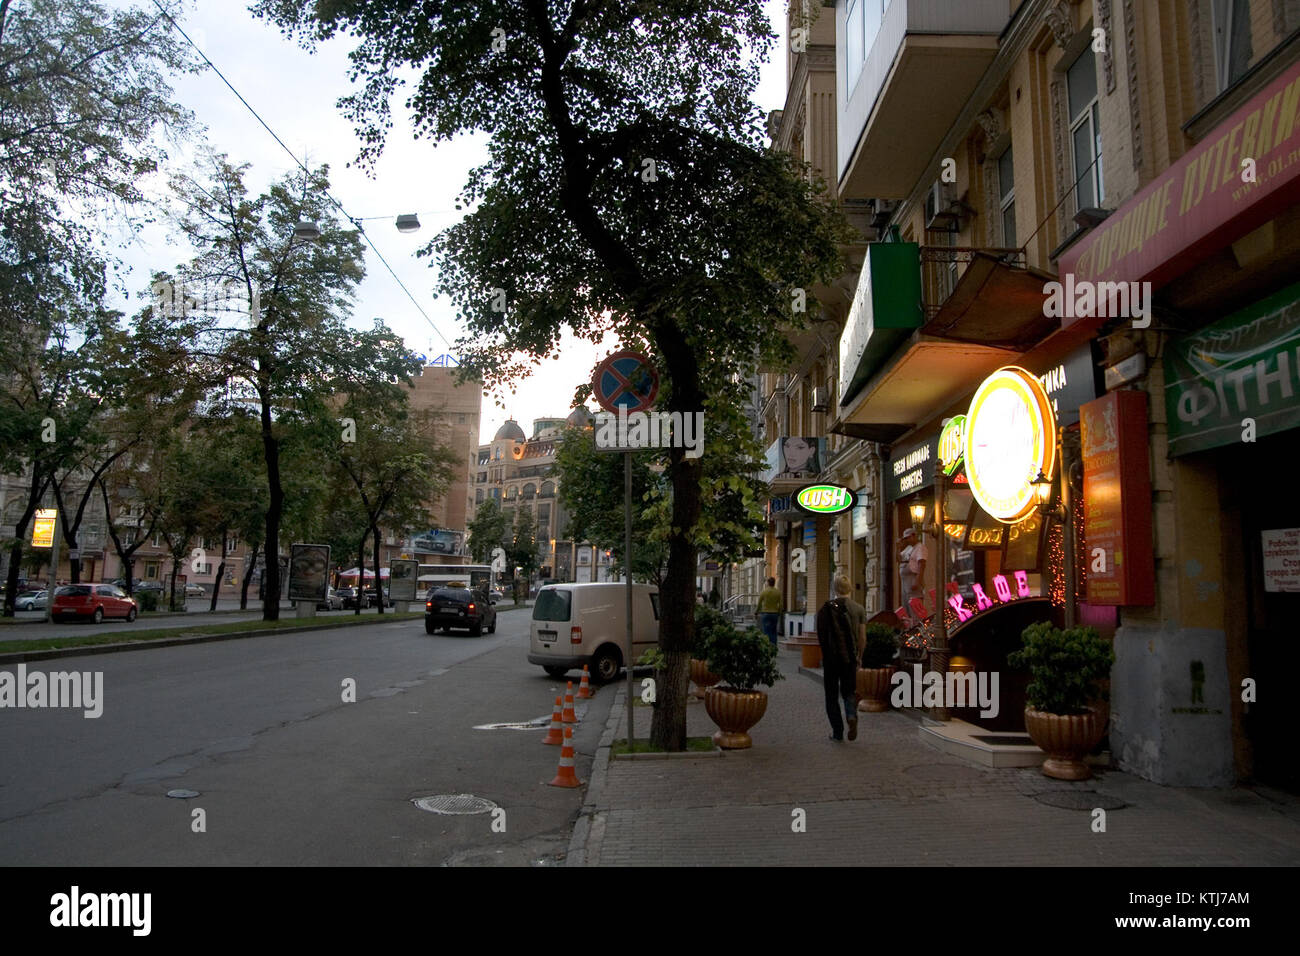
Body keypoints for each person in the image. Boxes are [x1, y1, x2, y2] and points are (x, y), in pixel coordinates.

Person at [816, 575, 868, 742]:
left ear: (834, 589)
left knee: (831, 695)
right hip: (850, 658)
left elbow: (822, 636)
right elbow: (862, 637)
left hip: (831, 659)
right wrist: (860, 656)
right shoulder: (859, 609)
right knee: (849, 691)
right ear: (850, 588)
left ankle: (837, 732)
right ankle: (851, 714)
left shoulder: (826, 609)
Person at [897, 527, 928, 617]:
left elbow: (922, 565)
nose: (907, 541)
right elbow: (899, 559)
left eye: (908, 538)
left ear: (914, 536)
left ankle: (917, 626)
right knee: (907, 608)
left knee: (915, 608)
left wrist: (917, 581)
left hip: (913, 579)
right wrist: (898, 548)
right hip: (905, 583)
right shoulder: (908, 548)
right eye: (905, 539)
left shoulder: (920, 547)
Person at [755, 577, 783, 646]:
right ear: (774, 583)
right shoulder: (778, 592)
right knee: (774, 631)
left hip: (766, 614)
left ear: (768, 583)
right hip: (775, 614)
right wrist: (779, 612)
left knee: (766, 631)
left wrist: (756, 612)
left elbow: (759, 604)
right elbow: (781, 604)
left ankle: (767, 646)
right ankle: (774, 647)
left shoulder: (764, 592)